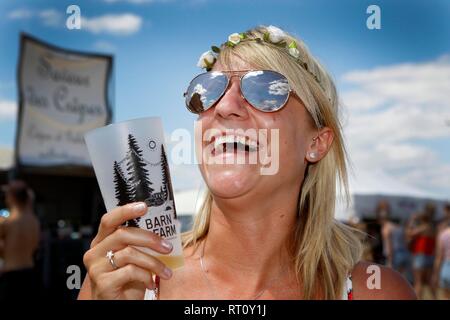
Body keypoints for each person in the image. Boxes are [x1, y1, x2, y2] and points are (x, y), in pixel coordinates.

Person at [78, 25, 416, 300]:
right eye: (208, 89)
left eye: (266, 89)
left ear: (316, 143)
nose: (225, 106)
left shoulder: (377, 293)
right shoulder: (126, 278)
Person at [0, 180, 41, 300]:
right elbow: (34, 246)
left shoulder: (7, 222)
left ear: (11, 197)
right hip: (30, 274)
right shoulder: (34, 221)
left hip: (11, 275)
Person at [407, 203, 437, 299]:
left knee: (418, 281)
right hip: (429, 256)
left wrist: (412, 220)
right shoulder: (433, 228)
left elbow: (410, 233)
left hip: (420, 256)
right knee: (428, 281)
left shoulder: (424, 227)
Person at [378, 201, 411, 278]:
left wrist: (389, 260)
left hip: (395, 255)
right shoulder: (397, 227)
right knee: (401, 278)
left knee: (391, 278)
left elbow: (389, 245)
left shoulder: (386, 228)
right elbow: (406, 241)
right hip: (404, 253)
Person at [432, 205, 450, 299]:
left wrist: (435, 274)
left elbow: (439, 256)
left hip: (446, 266)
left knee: (446, 296)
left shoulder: (442, 234)